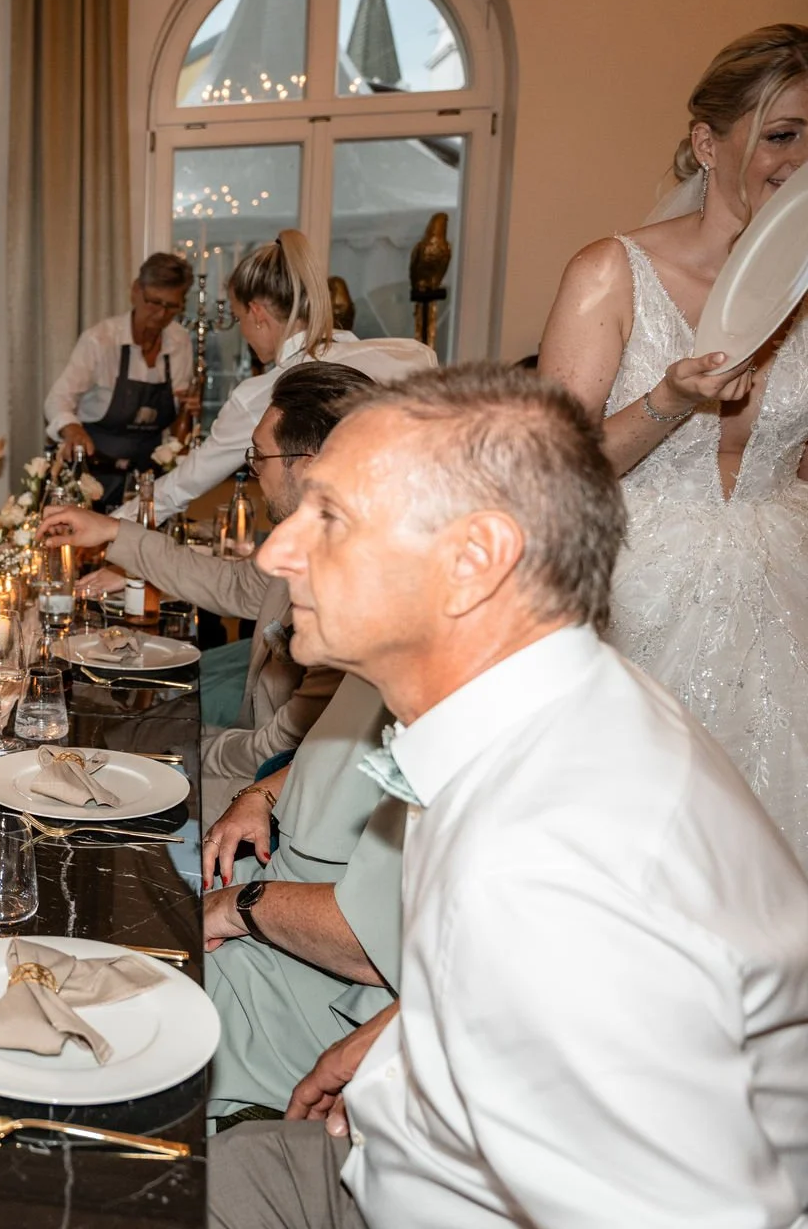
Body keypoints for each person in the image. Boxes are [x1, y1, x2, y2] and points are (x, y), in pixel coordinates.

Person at [209, 365, 808, 1228]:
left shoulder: (543, 864)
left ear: (473, 561)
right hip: (394, 1137)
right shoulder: (536, 717)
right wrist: (411, 1035)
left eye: (330, 516)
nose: (276, 552)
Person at [537, 24, 808, 866]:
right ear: (707, 143)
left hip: (786, 596)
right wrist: (669, 400)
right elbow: (550, 475)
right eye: (782, 134)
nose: (801, 159)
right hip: (635, 600)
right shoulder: (610, 274)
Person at [40, 363, 374, 818]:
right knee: (107, 736)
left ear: (310, 466)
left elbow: (275, 751)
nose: (254, 471)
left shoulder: (352, 588)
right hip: (249, 751)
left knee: (91, 775)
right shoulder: (308, 537)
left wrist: (180, 750)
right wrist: (112, 531)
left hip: (269, 793)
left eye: (260, 457)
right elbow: (234, 584)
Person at [199, 674, 399, 1130]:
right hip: (270, 896)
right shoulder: (384, 667)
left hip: (320, 986)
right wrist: (261, 793)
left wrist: (235, 906)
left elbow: (373, 943)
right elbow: (344, 754)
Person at [152, 229, 435, 517]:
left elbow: (184, 484)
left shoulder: (263, 394)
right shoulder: (409, 355)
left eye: (239, 318)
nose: (242, 330)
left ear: (257, 313)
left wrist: (125, 519)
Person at [44, 252, 195, 500]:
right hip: (95, 475)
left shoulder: (180, 341)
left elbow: (177, 412)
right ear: (136, 290)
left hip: (150, 476)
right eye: (154, 302)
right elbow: (57, 399)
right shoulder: (100, 340)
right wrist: (71, 429)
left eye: (171, 306)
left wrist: (187, 408)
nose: (161, 314)